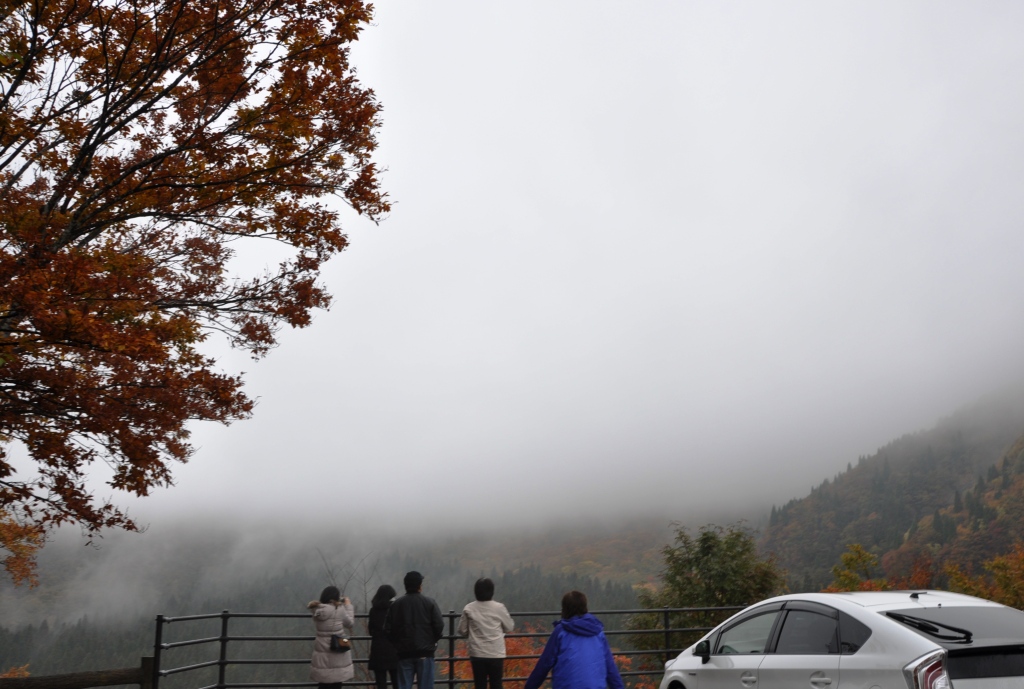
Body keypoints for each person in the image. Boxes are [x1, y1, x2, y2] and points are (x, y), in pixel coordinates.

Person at [524, 590, 624, 689]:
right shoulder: (598, 632)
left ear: (565, 609)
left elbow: (544, 664)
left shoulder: (561, 631)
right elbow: (611, 668)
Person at [385, 570, 444, 689]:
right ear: (420, 586)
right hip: (425, 653)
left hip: (404, 653)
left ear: (405, 585)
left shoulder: (396, 605)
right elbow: (439, 625)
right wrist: (432, 640)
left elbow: (387, 630)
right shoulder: (429, 603)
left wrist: (398, 644)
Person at [457, 578, 515, 689]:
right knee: (496, 684)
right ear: (492, 591)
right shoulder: (499, 608)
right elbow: (509, 627)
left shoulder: (469, 608)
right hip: (496, 652)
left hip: (477, 653)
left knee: (480, 685)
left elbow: (462, 630)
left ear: (476, 592)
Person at [308, 585, 356, 689]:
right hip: (336, 649)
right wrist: (348, 605)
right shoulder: (339, 609)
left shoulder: (317, 610)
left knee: (323, 684)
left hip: (321, 651)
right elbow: (350, 623)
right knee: (337, 683)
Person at [368, 584, 400, 689]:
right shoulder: (395, 609)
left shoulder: (373, 610)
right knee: (397, 681)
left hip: (378, 649)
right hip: (394, 649)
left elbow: (371, 630)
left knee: (381, 682)